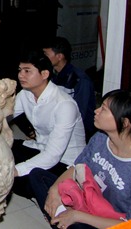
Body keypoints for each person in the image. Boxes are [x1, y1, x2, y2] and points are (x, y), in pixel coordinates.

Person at [30, 90, 131, 228]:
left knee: (75, 225)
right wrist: (54, 191)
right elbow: (77, 167)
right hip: (88, 203)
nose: (96, 111)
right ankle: (60, 216)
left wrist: (77, 216)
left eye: (104, 109)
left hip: (112, 222)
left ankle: (60, 218)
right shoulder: (101, 138)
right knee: (37, 175)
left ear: (125, 123)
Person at [11, 51, 86, 199]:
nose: (21, 75)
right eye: (20, 70)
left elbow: (53, 155)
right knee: (2, 149)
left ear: (44, 74)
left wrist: (16, 170)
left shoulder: (64, 105)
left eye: (27, 71)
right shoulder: (25, 94)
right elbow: (5, 114)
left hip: (65, 162)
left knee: (26, 179)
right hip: (40, 148)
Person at [43, 37, 96, 140]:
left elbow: (80, 112)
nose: (43, 58)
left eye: (46, 55)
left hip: (78, 134)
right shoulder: (51, 75)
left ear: (59, 56)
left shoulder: (80, 79)